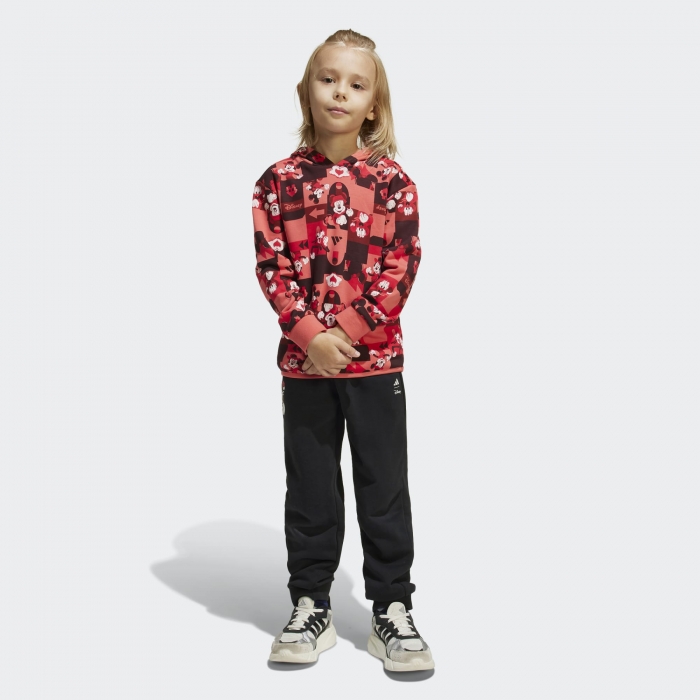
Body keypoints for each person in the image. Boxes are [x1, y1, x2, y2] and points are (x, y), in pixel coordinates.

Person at [251, 28, 434, 673]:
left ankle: (392, 608)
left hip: (375, 364)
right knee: (310, 488)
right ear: (307, 89)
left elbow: (401, 267)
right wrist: (310, 337)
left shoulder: (393, 184)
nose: (340, 92)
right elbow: (271, 266)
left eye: (356, 85)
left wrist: (347, 335)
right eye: (328, 79)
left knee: (383, 485)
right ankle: (311, 604)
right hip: (304, 369)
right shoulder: (276, 182)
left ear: (373, 104)